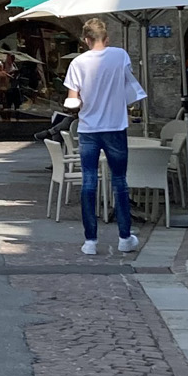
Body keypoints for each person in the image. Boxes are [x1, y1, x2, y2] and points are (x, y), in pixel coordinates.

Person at [65, 17, 145, 257]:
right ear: (106, 38)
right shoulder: (120, 55)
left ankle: (90, 240)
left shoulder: (77, 63)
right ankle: (124, 237)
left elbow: (72, 100)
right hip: (115, 125)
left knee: (89, 182)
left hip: (88, 128)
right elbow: (126, 81)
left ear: (85, 40)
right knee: (119, 181)